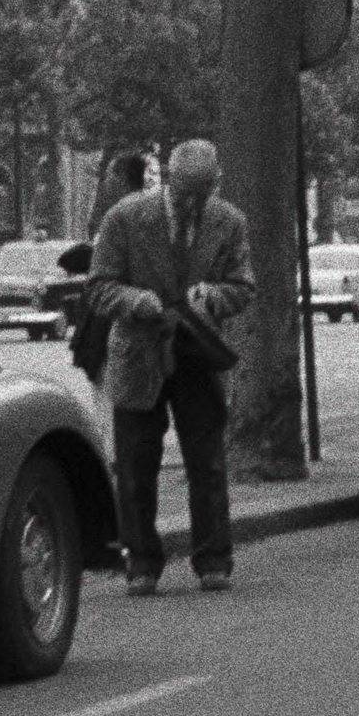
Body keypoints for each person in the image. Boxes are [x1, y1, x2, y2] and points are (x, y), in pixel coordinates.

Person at [89, 139, 256, 596]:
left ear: (215, 185)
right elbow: (99, 286)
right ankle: (141, 562)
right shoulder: (124, 218)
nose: (192, 206)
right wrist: (133, 300)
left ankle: (214, 558)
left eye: (202, 196)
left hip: (197, 352)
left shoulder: (230, 221)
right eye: (184, 195)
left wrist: (213, 298)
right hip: (139, 351)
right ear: (168, 180)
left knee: (207, 459)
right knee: (136, 463)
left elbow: (243, 285)